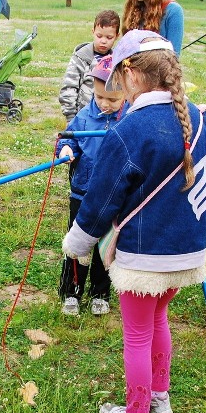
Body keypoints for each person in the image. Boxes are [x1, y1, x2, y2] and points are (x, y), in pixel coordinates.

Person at [62, 30, 206, 413]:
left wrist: (77, 244)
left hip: (145, 256)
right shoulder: (199, 119)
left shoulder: (131, 129)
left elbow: (101, 201)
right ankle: (160, 399)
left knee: (137, 334)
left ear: (132, 74)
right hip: (188, 250)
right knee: (158, 319)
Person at [56, 56, 126, 317]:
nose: (105, 105)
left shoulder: (129, 119)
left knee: (106, 246)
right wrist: (65, 147)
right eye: (100, 97)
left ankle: (100, 291)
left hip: (114, 196)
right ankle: (71, 291)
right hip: (83, 193)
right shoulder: (85, 117)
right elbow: (69, 140)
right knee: (77, 244)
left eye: (113, 99)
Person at [59, 10, 120, 124]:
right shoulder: (80, 58)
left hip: (108, 120)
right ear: (93, 32)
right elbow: (68, 89)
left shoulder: (117, 61)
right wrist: (71, 119)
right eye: (99, 36)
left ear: (117, 36)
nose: (103, 41)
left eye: (109, 37)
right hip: (83, 119)